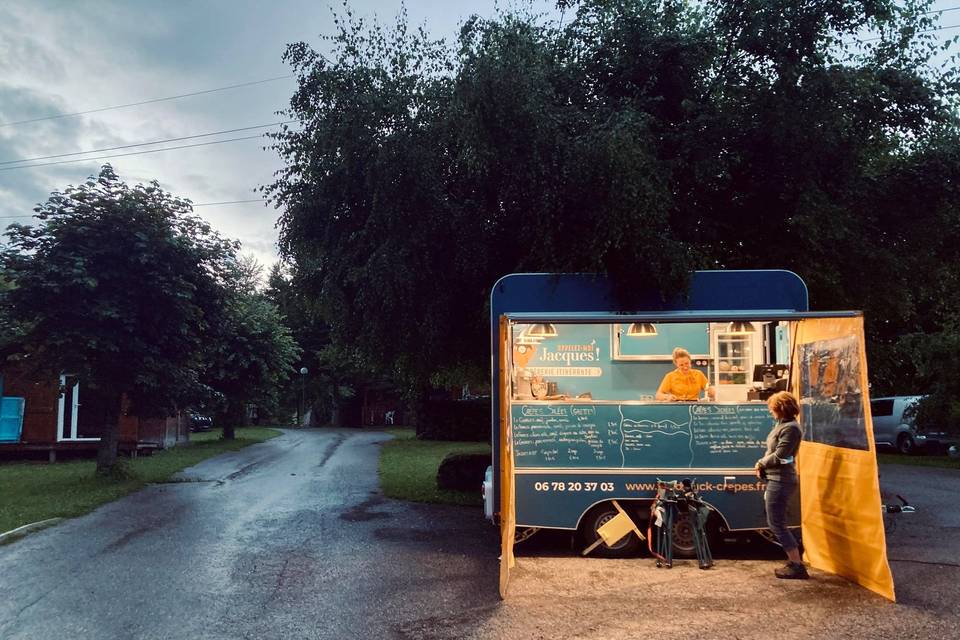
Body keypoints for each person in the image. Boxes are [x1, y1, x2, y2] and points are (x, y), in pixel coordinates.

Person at [755, 390, 808, 579]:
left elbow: (781, 456)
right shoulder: (783, 425)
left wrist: (761, 463)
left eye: (772, 408)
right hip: (775, 479)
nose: (770, 411)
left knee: (776, 524)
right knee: (776, 522)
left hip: (781, 480)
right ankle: (794, 561)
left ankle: (797, 565)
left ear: (781, 408)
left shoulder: (791, 428)